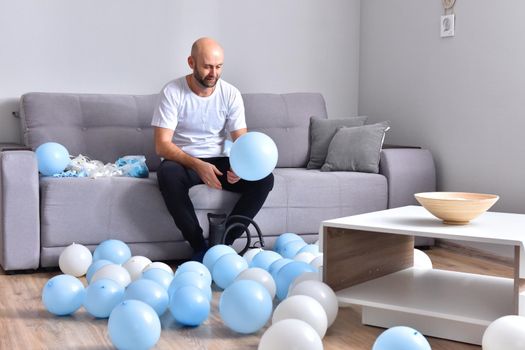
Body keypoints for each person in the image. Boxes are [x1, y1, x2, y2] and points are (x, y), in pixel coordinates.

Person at [151, 37, 274, 261]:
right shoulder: (172, 91)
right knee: (167, 174)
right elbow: (162, 145)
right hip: (184, 160)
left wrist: (241, 166)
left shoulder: (231, 93)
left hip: (221, 158)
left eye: (218, 67)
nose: (213, 73)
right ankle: (199, 247)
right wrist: (199, 166)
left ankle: (221, 245)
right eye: (207, 66)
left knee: (265, 179)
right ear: (191, 62)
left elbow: (241, 141)